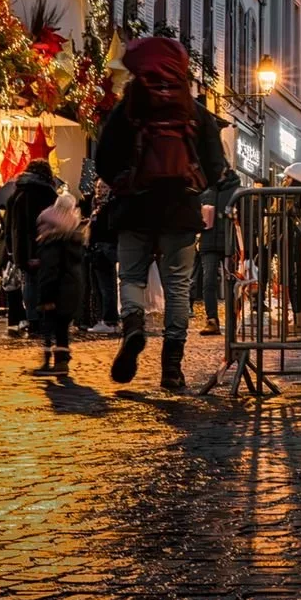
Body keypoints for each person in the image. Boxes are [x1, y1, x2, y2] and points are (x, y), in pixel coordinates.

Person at [95, 35, 225, 391]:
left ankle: (134, 326)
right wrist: (194, 185)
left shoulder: (129, 108)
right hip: (180, 209)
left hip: (134, 207)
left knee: (131, 277)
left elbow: (103, 159)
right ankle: (171, 368)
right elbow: (216, 165)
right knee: (178, 287)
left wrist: (123, 181)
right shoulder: (193, 110)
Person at [33, 189, 87, 377]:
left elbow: (50, 272)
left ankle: (49, 362)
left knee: (49, 329)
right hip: (71, 291)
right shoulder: (74, 240)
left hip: (56, 293)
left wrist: (45, 298)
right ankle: (62, 361)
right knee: (62, 329)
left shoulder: (52, 243)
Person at [3, 157, 57, 339]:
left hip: (22, 249)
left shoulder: (16, 194)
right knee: (46, 284)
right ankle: (44, 320)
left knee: (30, 283)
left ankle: (32, 319)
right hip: (45, 246)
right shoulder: (47, 194)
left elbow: (8, 227)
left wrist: (11, 249)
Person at [194, 165, 241, 337]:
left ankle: (232, 320)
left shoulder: (237, 192)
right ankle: (212, 319)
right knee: (208, 281)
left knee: (232, 283)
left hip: (230, 244)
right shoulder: (205, 191)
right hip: (208, 242)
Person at [84, 180, 120, 335]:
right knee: (99, 286)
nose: (99, 190)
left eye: (103, 187)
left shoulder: (110, 206)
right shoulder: (94, 204)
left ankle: (109, 320)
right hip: (95, 249)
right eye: (98, 187)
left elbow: (107, 227)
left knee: (106, 286)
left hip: (104, 249)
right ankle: (103, 319)